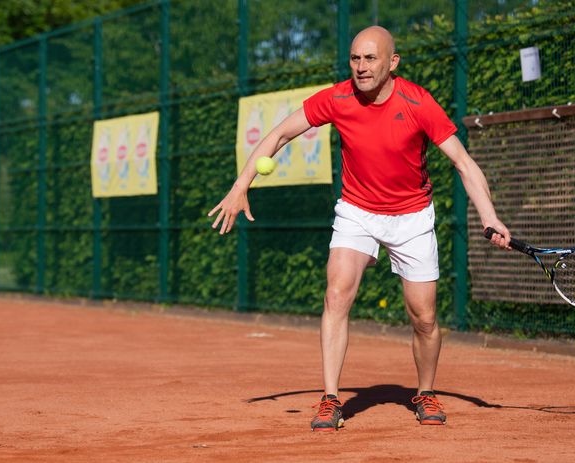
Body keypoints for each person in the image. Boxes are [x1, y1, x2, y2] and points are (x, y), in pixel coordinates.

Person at [208, 26, 511, 431]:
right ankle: (331, 398)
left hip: (412, 216)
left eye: (370, 58)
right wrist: (240, 185)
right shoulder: (337, 98)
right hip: (357, 211)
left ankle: (425, 391)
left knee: (424, 316)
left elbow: (464, 163)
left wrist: (489, 215)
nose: (361, 67)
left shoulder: (418, 101)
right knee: (336, 293)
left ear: (392, 62)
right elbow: (280, 132)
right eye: (355, 58)